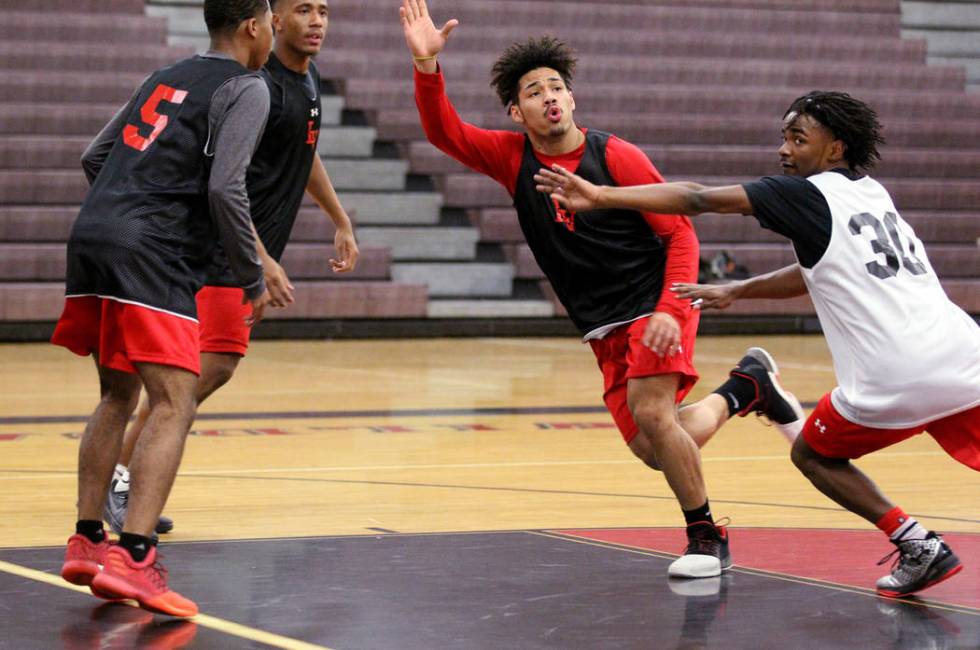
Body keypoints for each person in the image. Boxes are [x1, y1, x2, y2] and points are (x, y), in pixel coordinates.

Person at [399, 0, 803, 579]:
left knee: (652, 411)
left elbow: (681, 235)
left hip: (657, 300)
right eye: (535, 91)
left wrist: (670, 308)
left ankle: (706, 539)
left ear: (573, 98)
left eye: (556, 86)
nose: (549, 97)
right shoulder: (512, 158)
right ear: (517, 111)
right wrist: (426, 66)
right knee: (653, 446)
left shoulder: (614, 155)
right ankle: (748, 388)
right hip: (602, 324)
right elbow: (444, 132)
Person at [535, 90, 980, 597]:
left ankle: (918, 544)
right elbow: (819, 268)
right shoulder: (871, 192)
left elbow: (699, 198)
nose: (784, 150)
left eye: (798, 139)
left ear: (835, 148)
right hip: (965, 357)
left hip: (899, 374)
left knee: (813, 454)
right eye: (783, 138)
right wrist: (739, 289)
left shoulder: (803, 194)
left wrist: (602, 196)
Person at [102, 0, 360, 537]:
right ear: (272, 21)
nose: (317, 21)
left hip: (243, 252)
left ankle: (123, 475)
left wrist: (339, 218)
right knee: (201, 372)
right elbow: (224, 177)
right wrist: (259, 259)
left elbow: (303, 152)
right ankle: (119, 477)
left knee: (193, 372)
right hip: (226, 250)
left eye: (325, 11)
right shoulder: (253, 81)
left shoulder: (306, 80)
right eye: (303, 10)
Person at [54, 0, 277, 616]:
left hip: (93, 232)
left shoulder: (164, 75)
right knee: (175, 401)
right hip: (151, 248)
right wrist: (251, 274)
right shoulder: (248, 86)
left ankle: (88, 540)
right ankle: (137, 557)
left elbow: (94, 157)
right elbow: (225, 186)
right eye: (271, 24)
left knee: (116, 395)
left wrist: (124, 207)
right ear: (253, 27)